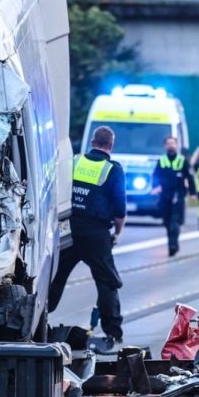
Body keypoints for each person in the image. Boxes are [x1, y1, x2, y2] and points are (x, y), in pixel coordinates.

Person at [49, 126, 126, 349]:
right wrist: (117, 233)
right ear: (110, 145)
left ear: (92, 142)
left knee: (56, 275)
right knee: (107, 281)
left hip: (70, 228)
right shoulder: (113, 170)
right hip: (97, 233)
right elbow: (120, 209)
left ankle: (40, 317)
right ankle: (113, 331)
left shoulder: (74, 161)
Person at [152, 136, 195, 256]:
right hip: (165, 195)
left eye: (173, 144)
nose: (171, 146)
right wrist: (155, 187)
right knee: (167, 222)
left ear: (176, 145)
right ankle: (172, 243)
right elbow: (155, 176)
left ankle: (173, 245)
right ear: (165, 146)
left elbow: (190, 177)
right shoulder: (161, 160)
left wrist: (193, 193)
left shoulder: (182, 160)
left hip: (178, 194)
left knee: (175, 221)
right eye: (168, 144)